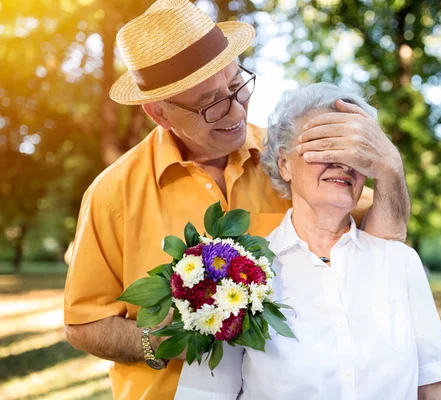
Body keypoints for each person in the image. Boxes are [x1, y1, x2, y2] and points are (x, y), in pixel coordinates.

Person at [63, 1, 411, 399]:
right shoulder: (112, 195)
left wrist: (391, 170)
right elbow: (83, 323)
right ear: (159, 112)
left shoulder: (288, 159)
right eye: (210, 103)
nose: (235, 111)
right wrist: (160, 341)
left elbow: (384, 241)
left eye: (236, 86)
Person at [175, 83, 441, 400]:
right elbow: (203, 394)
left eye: (354, 150)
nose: (341, 162)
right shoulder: (238, 277)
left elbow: (431, 387)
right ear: (284, 164)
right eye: (323, 146)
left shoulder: (401, 263)